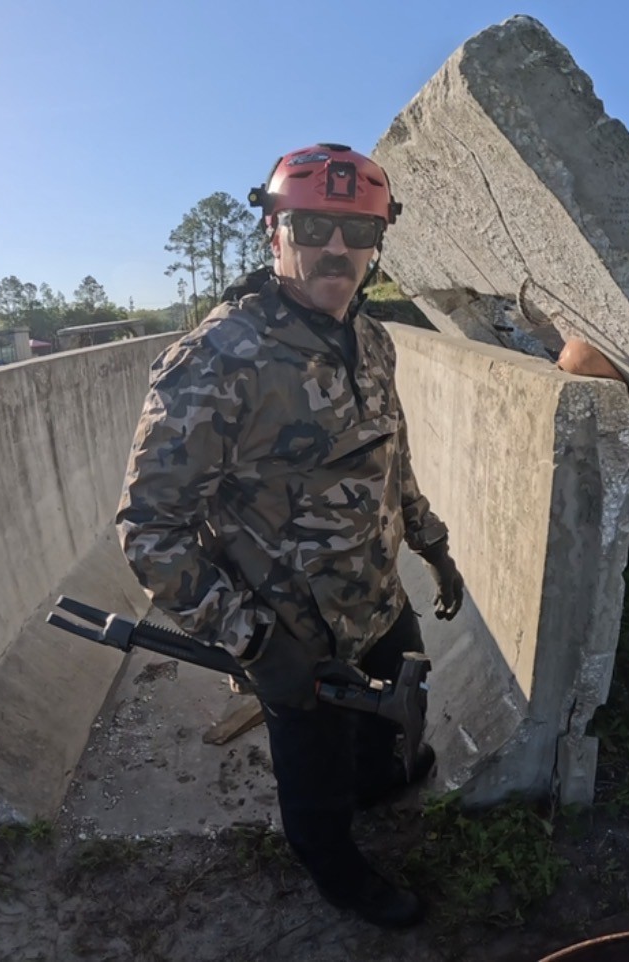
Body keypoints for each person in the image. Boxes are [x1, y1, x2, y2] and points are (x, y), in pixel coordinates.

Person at [116, 143, 464, 928]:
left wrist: (431, 542)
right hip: (294, 629)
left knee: (398, 707)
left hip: (377, 594)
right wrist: (254, 640)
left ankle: (380, 783)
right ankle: (339, 875)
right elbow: (149, 526)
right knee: (313, 777)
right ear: (275, 233)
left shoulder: (372, 338)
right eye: (312, 226)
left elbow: (391, 454)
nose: (336, 249)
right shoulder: (219, 356)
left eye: (357, 231)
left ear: (379, 241)